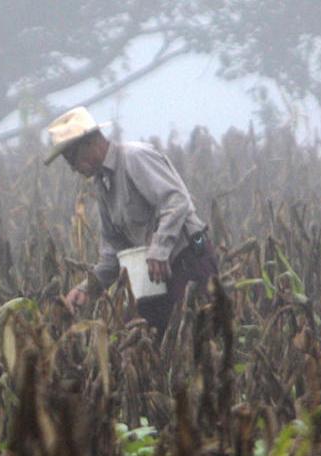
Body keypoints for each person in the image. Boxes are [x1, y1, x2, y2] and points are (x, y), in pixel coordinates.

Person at [46, 106, 216, 333]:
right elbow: (114, 252)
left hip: (188, 263)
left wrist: (159, 248)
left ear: (91, 142)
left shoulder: (134, 157)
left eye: (71, 156)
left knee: (190, 340)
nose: (71, 167)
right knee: (135, 338)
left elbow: (176, 200)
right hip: (155, 277)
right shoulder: (102, 184)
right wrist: (87, 289)